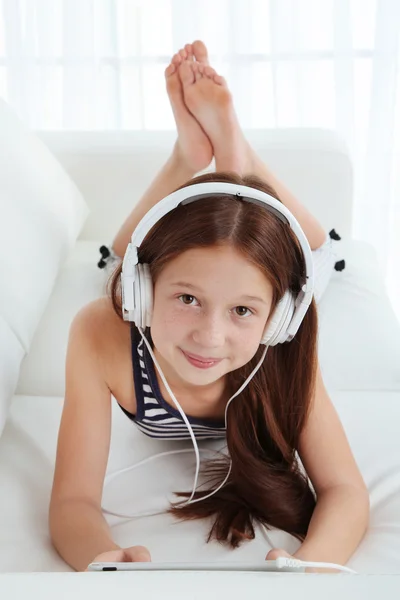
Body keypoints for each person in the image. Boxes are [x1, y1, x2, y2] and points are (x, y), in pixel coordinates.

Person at [49, 41, 369, 573]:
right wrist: (101, 560)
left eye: (243, 311)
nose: (210, 337)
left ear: (276, 320)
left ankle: (237, 156)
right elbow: (71, 502)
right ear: (147, 296)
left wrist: (310, 569)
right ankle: (190, 161)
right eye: (187, 299)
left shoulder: (284, 340)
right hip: (139, 282)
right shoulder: (102, 335)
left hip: (286, 277)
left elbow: (345, 491)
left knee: (319, 261)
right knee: (117, 266)